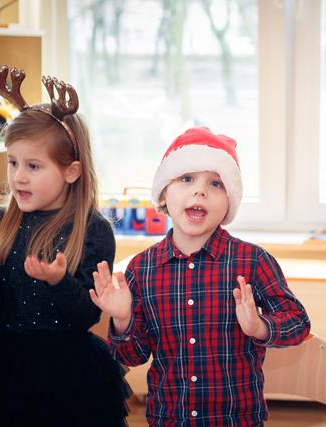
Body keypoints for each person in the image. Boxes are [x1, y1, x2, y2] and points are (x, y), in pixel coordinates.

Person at [89, 127, 311, 426]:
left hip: (237, 420)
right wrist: (122, 318)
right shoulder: (141, 269)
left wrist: (259, 326)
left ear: (229, 202)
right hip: (169, 419)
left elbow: (298, 323)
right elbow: (132, 356)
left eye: (216, 183)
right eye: (186, 179)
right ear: (164, 194)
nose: (200, 191)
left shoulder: (253, 260)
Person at [0, 65, 129, 427]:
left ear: (71, 171)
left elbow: (87, 316)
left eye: (33, 166)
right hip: (4, 371)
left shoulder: (93, 230)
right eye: (12, 162)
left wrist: (58, 282)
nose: (18, 176)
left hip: (72, 376)